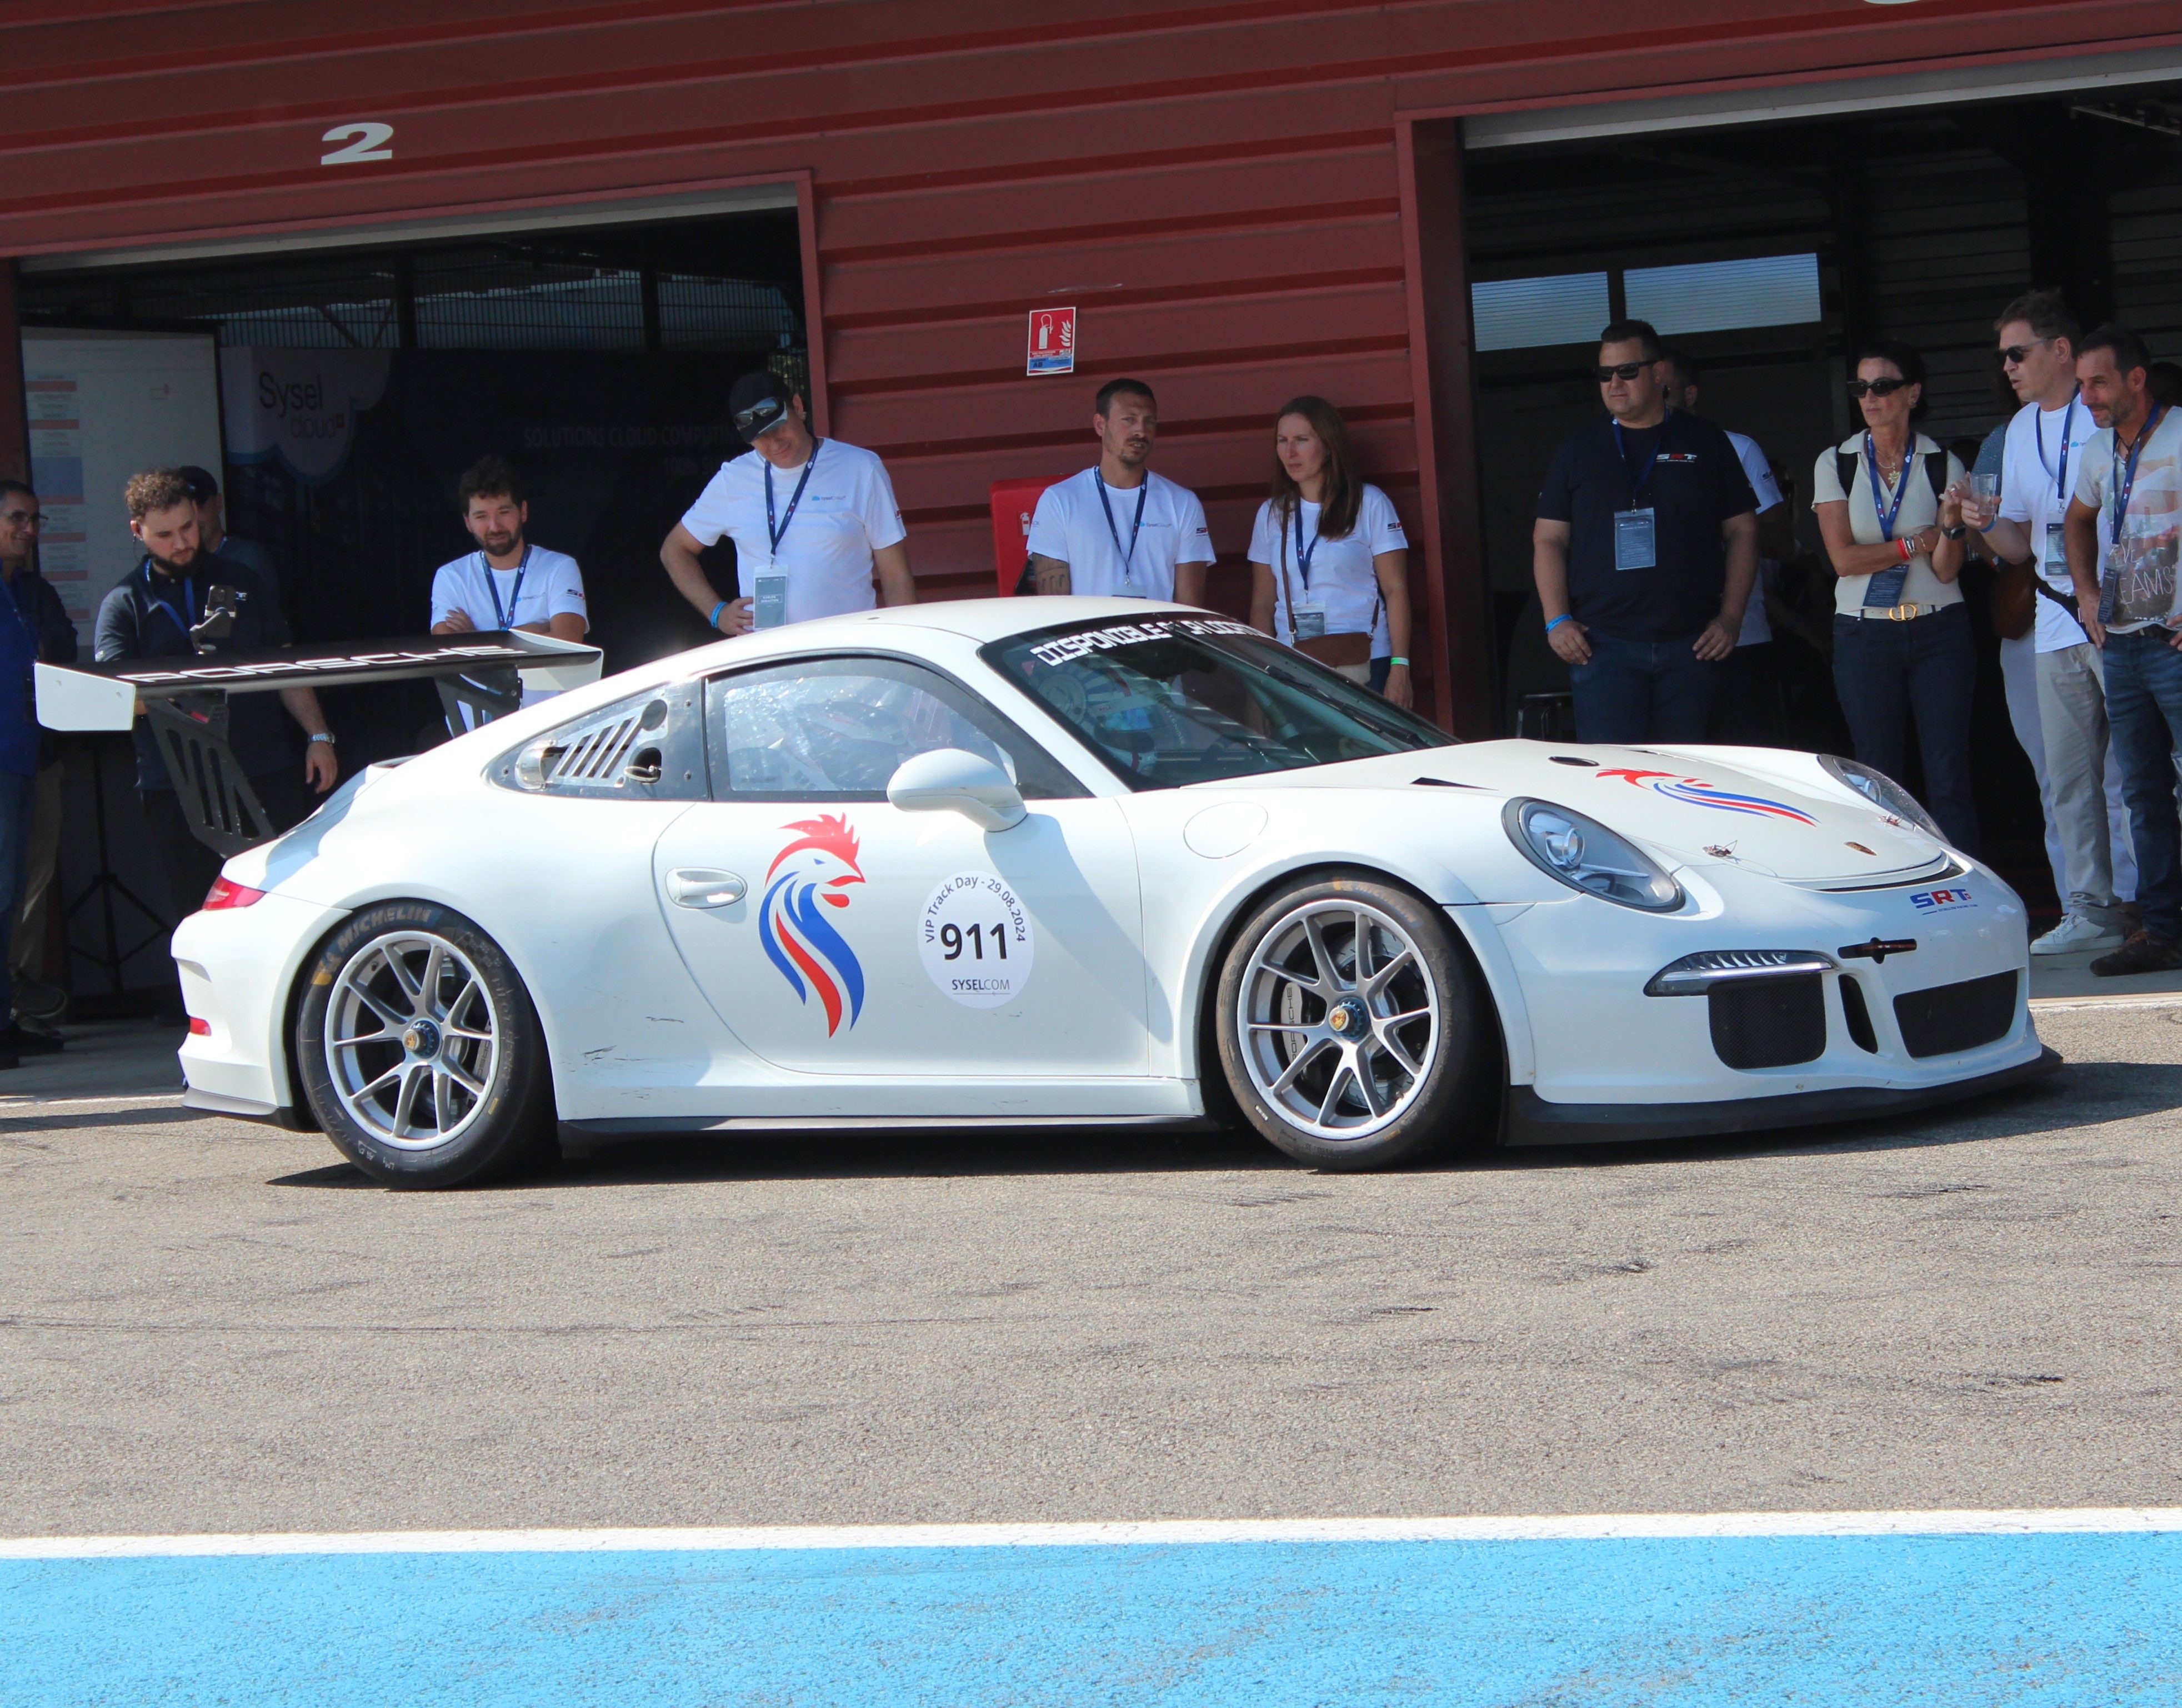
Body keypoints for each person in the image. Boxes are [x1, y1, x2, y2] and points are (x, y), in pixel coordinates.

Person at [1961, 291, 2134, 953]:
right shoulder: (2014, 431)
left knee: (2134, 772)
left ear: (2060, 350)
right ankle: (2088, 910)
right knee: (2066, 779)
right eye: (2002, 356)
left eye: (2017, 353)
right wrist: (1981, 524)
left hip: (2122, 616)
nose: (2006, 366)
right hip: (2054, 622)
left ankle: (2148, 905)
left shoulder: (2106, 417)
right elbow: (2018, 548)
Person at [94, 469, 338, 936]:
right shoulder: (124, 603)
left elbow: (285, 665)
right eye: (165, 535)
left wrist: (319, 735)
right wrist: (186, 693)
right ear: (137, 531)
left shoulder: (243, 578)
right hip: (177, 781)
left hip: (261, 766)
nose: (182, 542)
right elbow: (116, 698)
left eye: (189, 527)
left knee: (287, 903)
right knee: (199, 915)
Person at [1532, 320, 1758, 744]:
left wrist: (1731, 617)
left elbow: (1744, 530)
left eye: (1628, 371)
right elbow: (1548, 539)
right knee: (1612, 780)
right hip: (1601, 646)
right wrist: (1556, 620)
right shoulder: (1577, 447)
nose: (1614, 383)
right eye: (1604, 374)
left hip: (1691, 644)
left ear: (1658, 374)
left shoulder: (1704, 439)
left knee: (1683, 782)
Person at [1813, 340, 1976, 852]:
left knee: (1948, 770)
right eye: (1861, 387)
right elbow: (1843, 560)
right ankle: (1894, 881)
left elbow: (1948, 571)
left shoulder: (1941, 462)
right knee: (1876, 773)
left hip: (1939, 626)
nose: (1869, 397)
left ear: (1912, 393)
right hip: (1865, 629)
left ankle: (1967, 886)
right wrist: (1915, 542)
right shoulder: (1836, 462)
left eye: (1882, 386)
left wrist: (1948, 531)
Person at [2063, 324, 2182, 976]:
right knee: (2142, 792)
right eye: (2081, 384)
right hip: (2123, 642)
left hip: (2171, 639)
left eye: (2098, 382)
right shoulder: (2097, 449)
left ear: (2136, 379)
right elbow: (2077, 520)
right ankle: (2160, 931)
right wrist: (2084, 591)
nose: (2087, 397)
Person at [661, 371, 913, 635]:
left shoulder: (861, 468)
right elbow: (675, 549)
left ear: (798, 407)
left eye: (778, 427)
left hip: (847, 653)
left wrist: (905, 643)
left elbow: (896, 575)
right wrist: (717, 612)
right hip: (770, 662)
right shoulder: (732, 479)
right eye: (760, 437)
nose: (774, 443)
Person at [1659, 349, 1793, 743]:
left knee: (1749, 767)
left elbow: (1782, 541)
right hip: (1659, 644)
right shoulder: (1618, 452)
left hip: (1740, 638)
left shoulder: (1735, 447)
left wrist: (1721, 526)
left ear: (1690, 394)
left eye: (1665, 391)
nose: (1654, 399)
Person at [1244, 395, 1413, 704]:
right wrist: (1261, 671)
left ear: (1329, 445)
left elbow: (1396, 588)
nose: (1290, 452)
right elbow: (1263, 604)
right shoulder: (1272, 513)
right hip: (1294, 660)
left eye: (1302, 440)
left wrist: (1400, 667)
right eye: (1282, 440)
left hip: (1366, 659)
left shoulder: (1369, 503)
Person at [0, 480, 74, 1064]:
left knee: (17, 892)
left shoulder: (30, 592)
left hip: (31, 756)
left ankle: (8, 1015)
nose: (28, 529)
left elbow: (62, 658)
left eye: (35, 519)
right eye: (17, 518)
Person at [1023, 378, 1216, 603]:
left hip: (1161, 637)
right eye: (1129, 420)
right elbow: (1055, 609)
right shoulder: (1060, 500)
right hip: (1089, 637)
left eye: (1150, 422)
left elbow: (1190, 610)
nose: (1141, 431)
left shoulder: (1183, 503)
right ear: (1100, 425)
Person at [430, 457, 588, 718]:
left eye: (504, 512)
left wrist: (479, 639)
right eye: (481, 516)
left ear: (523, 512)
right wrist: (537, 631)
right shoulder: (451, 577)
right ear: (468, 522)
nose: (494, 527)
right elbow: (449, 652)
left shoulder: (559, 567)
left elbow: (568, 641)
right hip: (476, 732)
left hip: (552, 726)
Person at [176, 465, 276, 582]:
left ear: (218, 503)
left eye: (199, 507)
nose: (193, 519)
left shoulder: (247, 558)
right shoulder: (173, 563)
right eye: (184, 511)